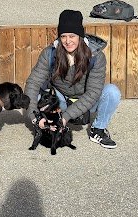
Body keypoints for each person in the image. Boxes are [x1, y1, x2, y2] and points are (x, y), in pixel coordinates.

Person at [25, 10, 121, 149]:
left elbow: (93, 92)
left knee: (112, 92)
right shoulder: (49, 54)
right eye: (63, 36)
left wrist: (66, 117)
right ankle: (46, 126)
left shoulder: (96, 57)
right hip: (60, 100)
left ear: (80, 36)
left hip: (87, 100)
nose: (67, 41)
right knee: (41, 94)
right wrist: (35, 116)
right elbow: (33, 83)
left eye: (72, 36)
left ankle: (98, 129)